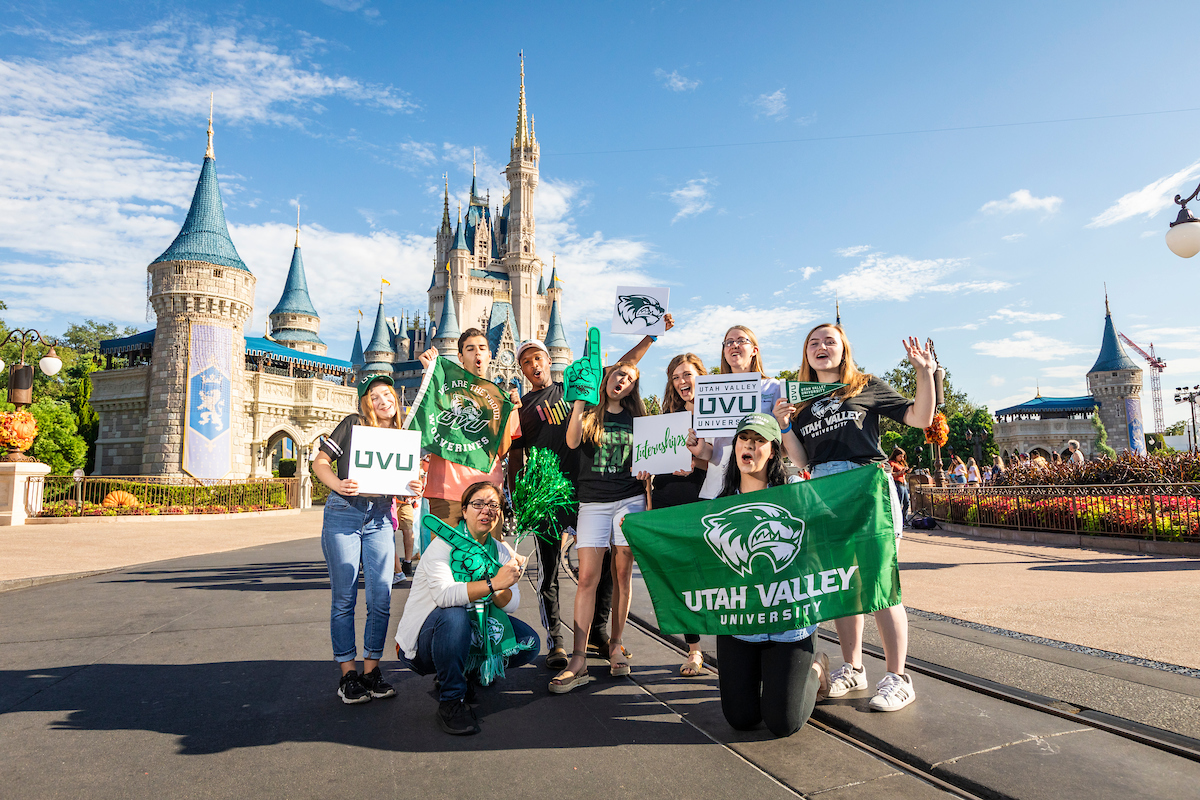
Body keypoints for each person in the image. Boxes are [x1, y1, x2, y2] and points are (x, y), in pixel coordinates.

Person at [778, 323, 936, 712]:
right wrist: (784, 425)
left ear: (844, 349)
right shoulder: (802, 401)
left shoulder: (866, 385)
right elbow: (801, 459)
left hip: (866, 483)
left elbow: (920, 417)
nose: (821, 347)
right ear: (806, 355)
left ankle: (899, 678)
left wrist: (924, 372)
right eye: (813, 342)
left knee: (878, 581)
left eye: (829, 341)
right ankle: (853, 668)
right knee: (844, 584)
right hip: (825, 491)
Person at [508, 323, 668, 670]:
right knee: (550, 571)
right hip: (548, 496)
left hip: (586, 491)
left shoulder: (579, 390)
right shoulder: (522, 407)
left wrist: (650, 338)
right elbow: (516, 456)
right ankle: (557, 642)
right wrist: (516, 495)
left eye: (538, 358)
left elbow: (623, 370)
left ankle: (599, 633)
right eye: (525, 362)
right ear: (520, 369)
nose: (534, 366)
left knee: (607, 572)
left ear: (550, 360)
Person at [711, 413, 830, 736]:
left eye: (759, 440)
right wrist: (637, 529)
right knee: (741, 718)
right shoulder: (720, 505)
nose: (749, 445)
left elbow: (830, 524)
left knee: (782, 723)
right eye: (743, 439)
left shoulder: (795, 489)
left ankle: (816, 668)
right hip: (740, 623)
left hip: (788, 624)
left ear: (774, 451)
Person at [312, 374, 424, 704]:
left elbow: (405, 486)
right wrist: (336, 483)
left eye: (386, 394)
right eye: (374, 396)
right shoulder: (352, 425)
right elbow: (320, 462)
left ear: (395, 398)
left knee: (381, 597)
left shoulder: (402, 438)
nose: (382, 400)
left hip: (379, 517)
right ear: (366, 403)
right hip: (344, 512)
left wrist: (413, 487)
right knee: (344, 597)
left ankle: (371, 670)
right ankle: (348, 675)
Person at [396, 481, 539, 735]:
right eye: (478, 504)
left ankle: (466, 671)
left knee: (529, 642)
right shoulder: (444, 545)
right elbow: (444, 596)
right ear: (464, 510)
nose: (487, 511)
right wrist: (493, 582)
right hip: (425, 643)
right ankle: (451, 700)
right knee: (455, 616)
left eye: (494, 505)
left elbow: (512, 604)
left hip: (472, 627)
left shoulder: (499, 551)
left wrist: (504, 582)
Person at [550, 360, 651, 692]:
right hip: (593, 501)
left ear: (634, 389)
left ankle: (616, 644)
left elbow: (652, 458)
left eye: (630, 379)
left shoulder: (640, 420)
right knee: (587, 578)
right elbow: (573, 441)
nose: (623, 381)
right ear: (607, 377)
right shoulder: (590, 412)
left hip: (629, 500)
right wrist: (580, 397)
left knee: (622, 574)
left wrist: (648, 472)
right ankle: (578, 658)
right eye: (619, 374)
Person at [417, 328, 521, 532]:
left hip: (487, 492)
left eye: (482, 348)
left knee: (487, 560)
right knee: (445, 560)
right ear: (460, 356)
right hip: (446, 492)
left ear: (490, 355)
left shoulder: (503, 398)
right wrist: (429, 374)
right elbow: (425, 421)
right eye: (470, 349)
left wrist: (509, 413)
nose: (477, 353)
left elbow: (502, 451)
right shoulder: (443, 390)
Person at [649, 353, 710, 677]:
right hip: (666, 502)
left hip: (703, 502)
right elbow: (652, 460)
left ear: (701, 375)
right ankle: (694, 649)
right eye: (675, 377)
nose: (682, 382)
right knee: (681, 580)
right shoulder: (667, 417)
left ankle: (733, 641)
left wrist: (695, 463)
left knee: (711, 575)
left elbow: (725, 461)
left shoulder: (716, 415)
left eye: (687, 374)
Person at [693, 326, 785, 501]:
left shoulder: (773, 388)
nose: (734, 345)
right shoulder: (710, 389)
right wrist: (699, 449)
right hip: (716, 489)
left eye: (741, 340)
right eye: (728, 342)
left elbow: (783, 447)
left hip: (759, 488)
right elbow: (709, 453)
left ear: (754, 350)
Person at [888, 447, 910, 523]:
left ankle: (904, 520)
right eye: (900, 456)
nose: (902, 458)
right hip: (897, 483)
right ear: (896, 455)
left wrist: (906, 471)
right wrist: (900, 473)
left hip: (903, 483)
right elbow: (890, 474)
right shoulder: (891, 463)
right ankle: (898, 521)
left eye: (903, 456)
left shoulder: (900, 463)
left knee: (907, 502)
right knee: (899, 503)